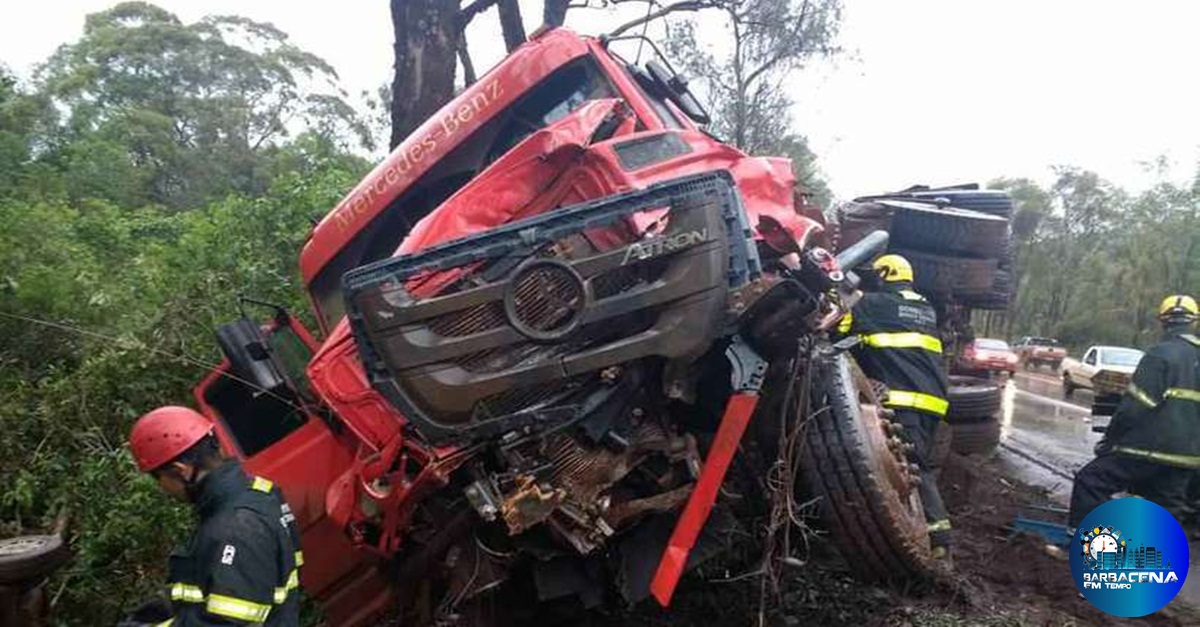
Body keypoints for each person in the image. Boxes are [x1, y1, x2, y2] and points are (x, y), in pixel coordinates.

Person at [125, 406, 301, 626]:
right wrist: (164, 610)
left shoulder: (236, 525)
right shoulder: (254, 494)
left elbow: (227, 622)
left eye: (158, 479)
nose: (162, 489)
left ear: (182, 471)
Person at [838, 254, 953, 560]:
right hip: (932, 403)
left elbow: (838, 327)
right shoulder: (925, 309)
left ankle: (939, 544)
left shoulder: (874, 304)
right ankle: (931, 536)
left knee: (913, 469)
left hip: (905, 401)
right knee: (915, 465)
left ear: (882, 276)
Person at [1068, 295, 1200, 531]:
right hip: (1187, 457)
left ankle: (1084, 548)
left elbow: (1134, 408)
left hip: (1145, 450)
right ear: (1194, 323)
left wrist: (1109, 441)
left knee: (1090, 482)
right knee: (1167, 507)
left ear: (1163, 322)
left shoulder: (1160, 354)